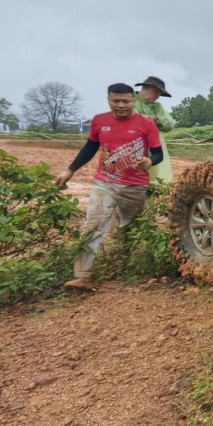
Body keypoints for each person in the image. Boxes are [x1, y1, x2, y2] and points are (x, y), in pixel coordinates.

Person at [55, 83, 163, 291]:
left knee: (129, 228)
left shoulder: (146, 124)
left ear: (133, 101)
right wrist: (70, 170)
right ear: (108, 100)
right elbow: (89, 148)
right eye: (116, 101)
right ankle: (82, 276)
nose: (121, 105)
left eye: (126, 101)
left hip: (135, 186)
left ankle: (123, 263)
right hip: (105, 182)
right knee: (93, 225)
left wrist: (150, 161)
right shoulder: (99, 121)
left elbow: (158, 153)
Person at [132, 75, 175, 183]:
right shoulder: (130, 100)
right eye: (155, 91)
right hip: (133, 144)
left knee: (157, 178)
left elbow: (170, 123)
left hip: (155, 146)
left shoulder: (157, 107)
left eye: (159, 94)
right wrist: (154, 121)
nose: (157, 96)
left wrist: (151, 118)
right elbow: (133, 119)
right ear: (145, 87)